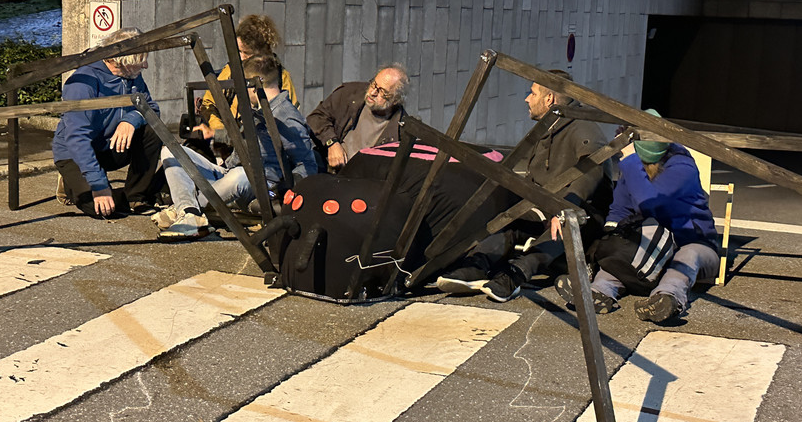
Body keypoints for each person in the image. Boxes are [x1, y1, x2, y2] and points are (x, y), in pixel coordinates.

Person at [435, 71, 612, 302]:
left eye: (533, 93)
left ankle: (514, 275)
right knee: (508, 219)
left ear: (549, 99)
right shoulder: (548, 128)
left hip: (580, 214)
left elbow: (592, 170)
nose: (527, 99)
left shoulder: (583, 127)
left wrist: (564, 208)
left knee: (562, 227)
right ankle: (477, 265)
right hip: (543, 206)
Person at [154, 54, 317, 238]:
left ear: (254, 84)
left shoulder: (287, 117)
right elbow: (244, 139)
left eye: (242, 86)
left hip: (256, 186)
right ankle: (188, 211)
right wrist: (214, 133)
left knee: (240, 175)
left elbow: (307, 164)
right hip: (230, 173)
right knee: (171, 151)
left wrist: (287, 197)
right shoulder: (258, 109)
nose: (240, 93)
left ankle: (185, 211)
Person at [587, 111, 719, 323]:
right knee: (619, 257)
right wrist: (613, 235)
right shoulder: (634, 168)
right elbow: (620, 207)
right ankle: (598, 293)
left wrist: (630, 161)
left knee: (687, 257)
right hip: (652, 244)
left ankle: (667, 298)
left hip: (693, 243)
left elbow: (649, 204)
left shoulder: (682, 167)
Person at [53, 27, 162, 218]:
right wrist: (99, 185)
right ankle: (73, 183)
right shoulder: (82, 83)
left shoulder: (133, 76)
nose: (145, 66)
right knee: (100, 210)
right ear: (123, 62)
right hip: (76, 153)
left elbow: (151, 108)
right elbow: (77, 138)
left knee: (152, 130)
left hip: (110, 147)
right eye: (141, 60)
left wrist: (130, 120)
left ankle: (136, 195)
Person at [197, 14, 298, 143]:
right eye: (239, 51)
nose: (241, 57)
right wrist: (220, 130)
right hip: (229, 139)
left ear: (262, 52)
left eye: (246, 53)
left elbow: (291, 119)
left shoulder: (281, 78)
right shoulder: (232, 70)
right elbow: (209, 103)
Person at [306, 65, 410, 173]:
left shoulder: (402, 131)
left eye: (382, 92)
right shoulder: (350, 93)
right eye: (374, 84)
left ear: (395, 100)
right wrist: (332, 143)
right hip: (328, 168)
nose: (373, 92)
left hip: (363, 179)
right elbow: (315, 118)